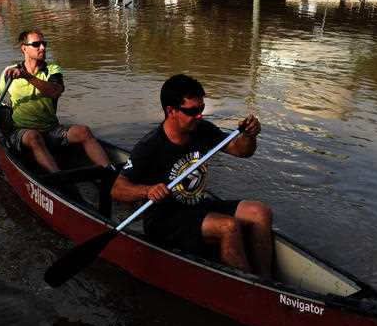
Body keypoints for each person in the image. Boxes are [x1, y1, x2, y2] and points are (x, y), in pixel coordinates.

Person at [110, 74, 273, 276]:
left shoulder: (201, 129)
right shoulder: (149, 146)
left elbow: (242, 151)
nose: (199, 116)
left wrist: (249, 135)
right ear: (171, 111)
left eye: (201, 109)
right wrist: (148, 190)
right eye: (192, 111)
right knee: (228, 226)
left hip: (198, 205)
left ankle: (267, 282)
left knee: (259, 212)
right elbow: (117, 189)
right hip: (165, 220)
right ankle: (248, 287)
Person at [0, 29, 111, 173]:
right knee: (34, 136)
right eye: (36, 44)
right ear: (24, 48)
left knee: (84, 131)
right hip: (22, 132)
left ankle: (110, 171)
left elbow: (54, 91)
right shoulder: (10, 71)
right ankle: (58, 178)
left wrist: (27, 76)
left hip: (51, 129)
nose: (43, 48)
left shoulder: (52, 70)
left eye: (44, 43)